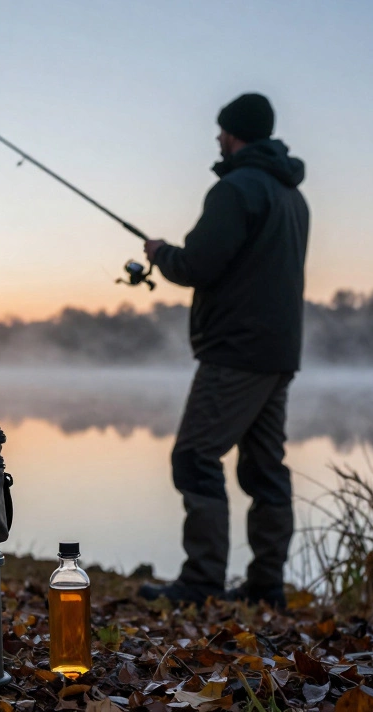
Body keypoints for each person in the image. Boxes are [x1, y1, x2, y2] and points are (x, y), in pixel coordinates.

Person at [137, 93, 309, 608]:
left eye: (221, 131)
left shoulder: (235, 189)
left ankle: (202, 580)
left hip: (236, 350)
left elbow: (199, 265)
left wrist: (161, 253)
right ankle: (266, 587)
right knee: (264, 468)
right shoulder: (292, 196)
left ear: (235, 134)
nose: (216, 138)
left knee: (194, 456)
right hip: (278, 353)